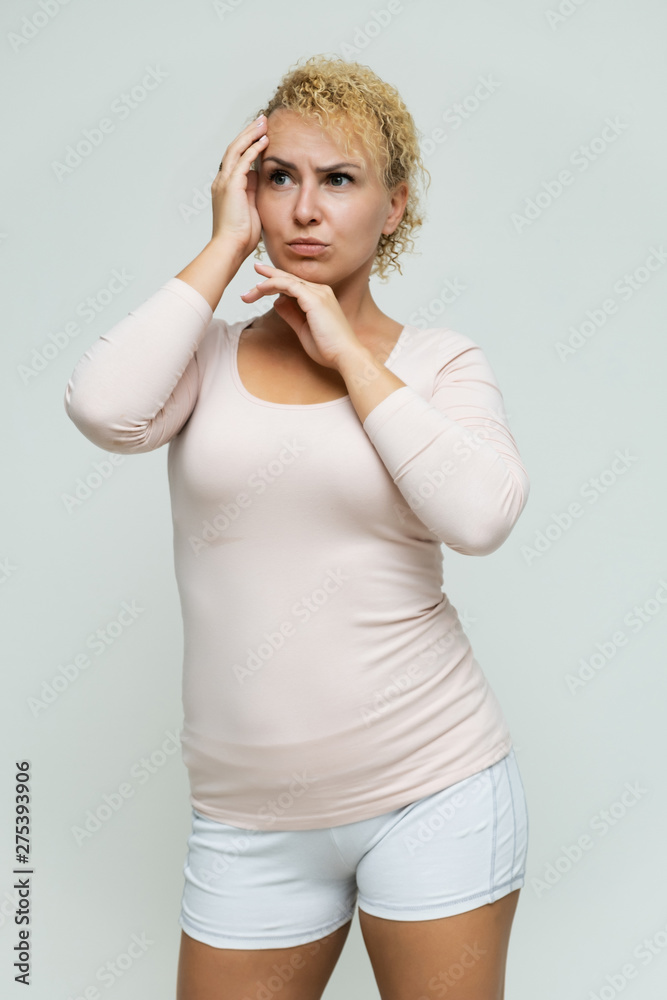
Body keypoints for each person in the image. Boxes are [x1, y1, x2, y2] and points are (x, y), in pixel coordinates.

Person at [64, 54, 531, 1000]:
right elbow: (103, 409)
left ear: (394, 206)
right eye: (280, 177)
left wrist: (349, 356)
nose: (306, 209)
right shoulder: (204, 357)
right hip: (245, 821)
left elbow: (481, 515)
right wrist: (225, 245)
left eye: (340, 180)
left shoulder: (437, 365)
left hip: (432, 791)